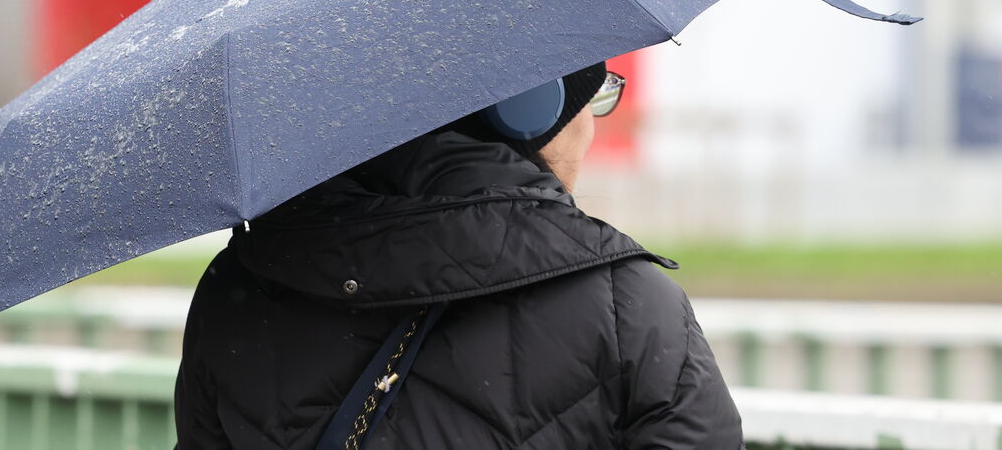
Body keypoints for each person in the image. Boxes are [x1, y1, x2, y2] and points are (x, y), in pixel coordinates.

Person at [175, 61, 743, 449]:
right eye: (595, 96)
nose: (593, 127)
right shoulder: (631, 310)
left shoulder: (243, 280)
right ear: (535, 113)